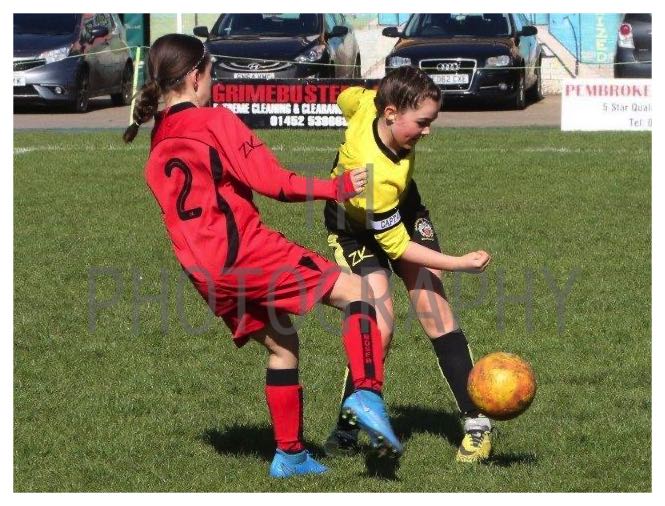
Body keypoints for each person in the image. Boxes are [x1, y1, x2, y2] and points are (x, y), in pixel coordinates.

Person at [123, 33, 402, 478]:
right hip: (246, 254)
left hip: (204, 272)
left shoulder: (159, 135)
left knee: (281, 343)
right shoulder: (214, 121)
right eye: (210, 74)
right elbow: (275, 183)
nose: (212, 83)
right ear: (194, 77)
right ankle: (367, 393)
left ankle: (290, 456)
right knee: (361, 294)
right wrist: (335, 187)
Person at [322, 65, 493, 463]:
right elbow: (397, 247)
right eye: (422, 122)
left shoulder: (371, 102)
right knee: (379, 327)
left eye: (431, 121)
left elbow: (347, 97)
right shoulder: (371, 172)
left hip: (404, 209)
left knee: (435, 309)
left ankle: (477, 424)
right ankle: (347, 429)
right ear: (392, 113)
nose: (427, 131)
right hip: (354, 230)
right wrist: (458, 263)